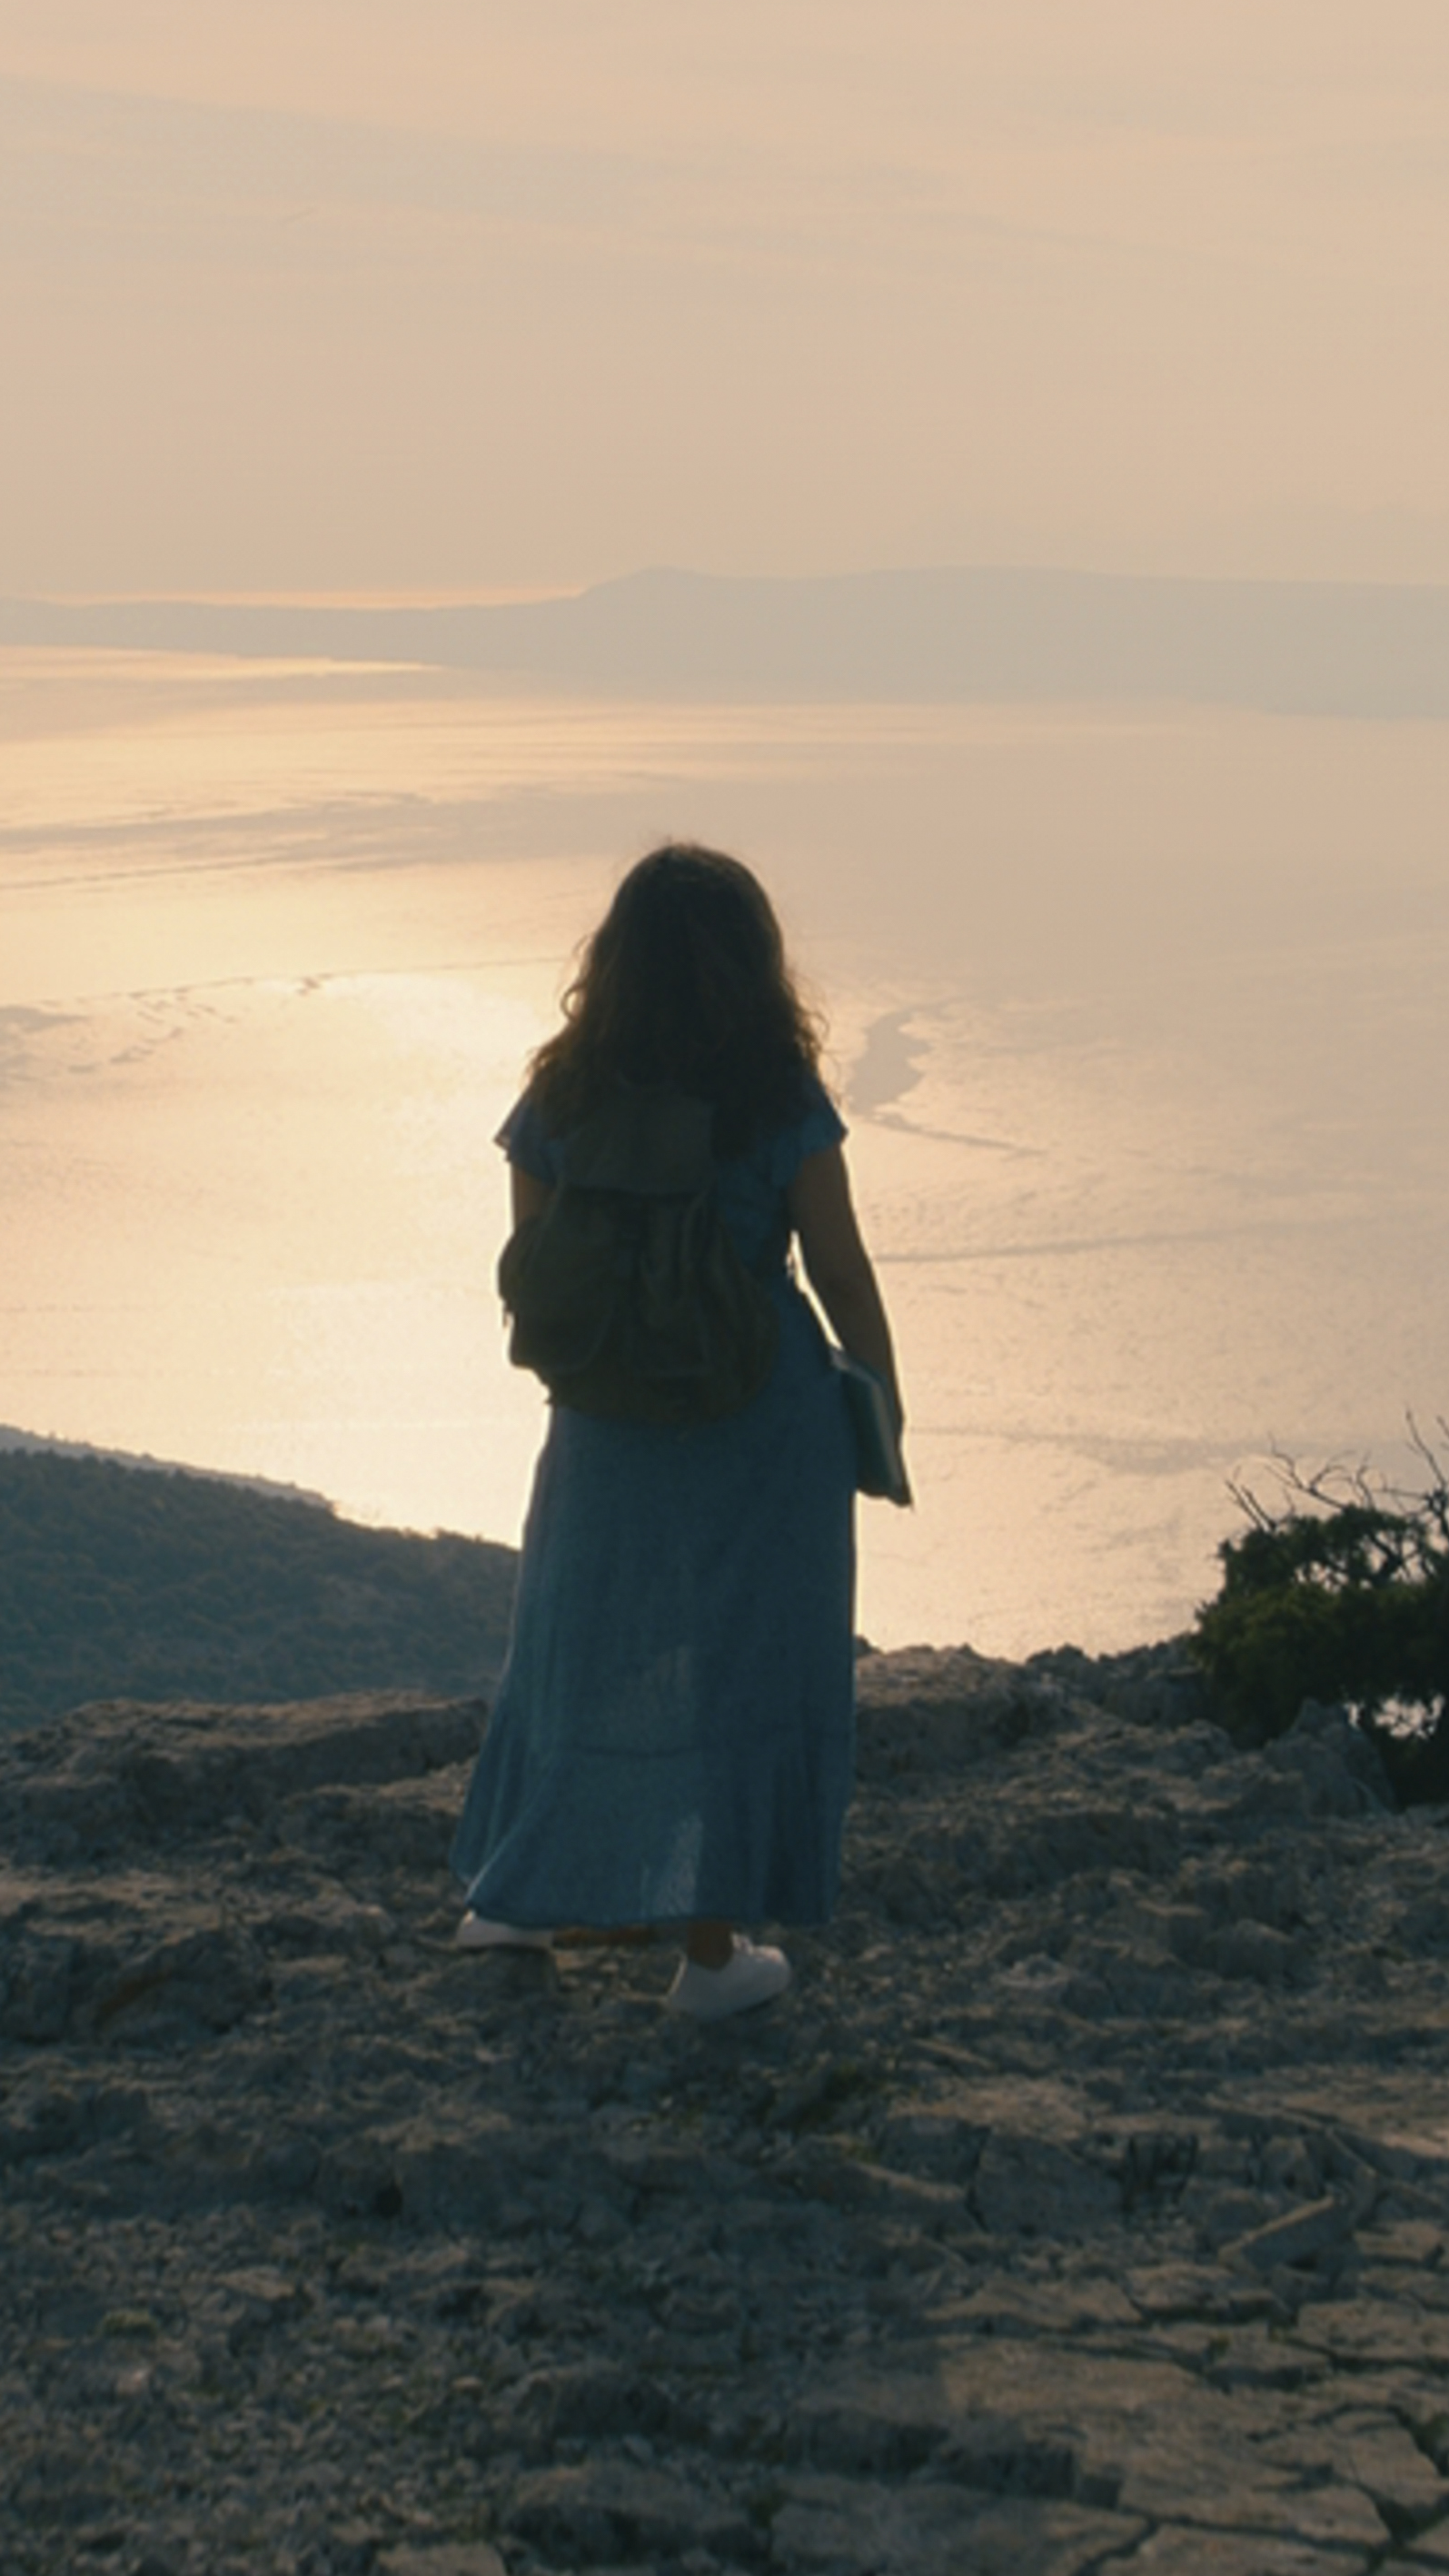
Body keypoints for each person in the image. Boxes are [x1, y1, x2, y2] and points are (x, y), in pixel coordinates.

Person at [448, 841, 900, 2019]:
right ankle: (710, 1958)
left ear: (615, 961)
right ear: (754, 963)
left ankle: (513, 1898)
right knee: (740, 1663)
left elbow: (535, 1273)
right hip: (761, 1416)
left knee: (578, 1643)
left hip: (606, 1421)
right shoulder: (777, 1096)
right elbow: (840, 1271)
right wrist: (881, 1406)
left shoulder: (561, 1094)